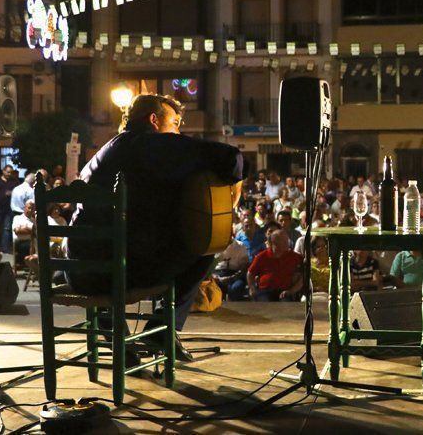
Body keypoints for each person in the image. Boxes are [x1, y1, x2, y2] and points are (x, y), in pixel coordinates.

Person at [67, 93, 245, 362]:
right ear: (154, 120)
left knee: (125, 245)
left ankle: (119, 336)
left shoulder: (106, 150)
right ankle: (162, 328)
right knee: (206, 247)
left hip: (79, 270)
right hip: (121, 271)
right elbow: (232, 159)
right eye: (175, 123)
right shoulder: (153, 144)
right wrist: (235, 190)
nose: (178, 130)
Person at [246, 229, 303, 301]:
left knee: (285, 305)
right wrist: (252, 287)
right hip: (265, 291)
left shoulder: (294, 257)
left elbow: (303, 273)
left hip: (285, 291)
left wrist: (292, 290)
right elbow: (250, 273)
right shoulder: (262, 256)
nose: (287, 243)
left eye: (287, 240)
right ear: (275, 243)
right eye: (284, 241)